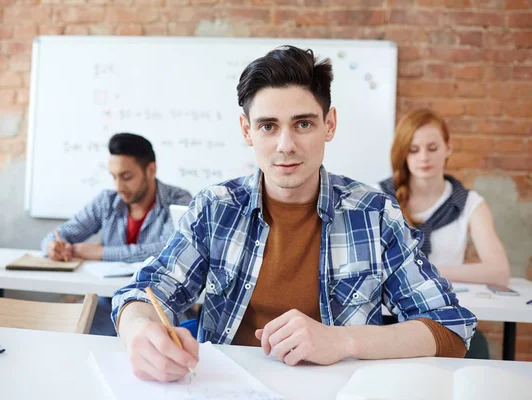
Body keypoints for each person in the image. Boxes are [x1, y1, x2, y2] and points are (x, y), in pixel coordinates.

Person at [112, 46, 477, 382]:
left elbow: (450, 327)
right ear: (247, 131)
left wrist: (342, 341)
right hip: (225, 388)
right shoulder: (215, 207)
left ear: (329, 124)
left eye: (303, 124)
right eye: (268, 126)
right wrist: (139, 331)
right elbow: (144, 291)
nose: (286, 146)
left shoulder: (375, 213)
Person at [376, 109, 509, 359]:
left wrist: (425, 272)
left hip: (444, 317)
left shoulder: (469, 203)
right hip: (386, 318)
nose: (423, 157)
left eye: (432, 148)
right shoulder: (378, 197)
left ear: (449, 148)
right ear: (402, 153)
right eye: (413, 150)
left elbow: (499, 271)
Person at [41, 133, 192, 336]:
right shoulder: (107, 201)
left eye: (126, 177)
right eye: (114, 177)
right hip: (110, 300)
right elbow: (62, 233)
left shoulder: (179, 200)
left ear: (151, 170)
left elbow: (166, 249)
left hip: (161, 305)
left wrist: (101, 253)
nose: (119, 186)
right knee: (70, 330)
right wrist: (52, 245)